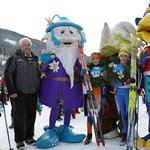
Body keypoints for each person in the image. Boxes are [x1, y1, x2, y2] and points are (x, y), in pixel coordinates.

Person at [36, 15, 86, 149]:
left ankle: (65, 128)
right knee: (56, 107)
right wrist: (46, 61)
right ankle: (51, 129)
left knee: (69, 107)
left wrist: (81, 73)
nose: (67, 37)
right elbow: (42, 69)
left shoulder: (75, 58)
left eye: (71, 33)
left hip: (70, 86)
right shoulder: (53, 55)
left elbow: (79, 70)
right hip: (55, 87)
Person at [4, 37, 41, 149]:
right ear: (20, 46)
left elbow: (38, 75)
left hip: (32, 92)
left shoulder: (35, 59)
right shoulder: (14, 58)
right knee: (19, 117)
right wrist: (12, 91)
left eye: (28, 45)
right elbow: (7, 75)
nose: (27, 47)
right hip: (19, 92)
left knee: (31, 116)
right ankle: (19, 140)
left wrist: (38, 90)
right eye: (24, 45)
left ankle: (29, 137)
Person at [84, 52, 106, 144]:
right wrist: (83, 75)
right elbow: (85, 83)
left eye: (97, 58)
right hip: (91, 94)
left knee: (99, 114)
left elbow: (105, 83)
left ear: (99, 59)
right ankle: (89, 134)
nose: (95, 60)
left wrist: (104, 96)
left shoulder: (102, 69)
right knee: (90, 115)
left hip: (100, 94)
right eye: (93, 59)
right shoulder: (89, 69)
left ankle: (98, 131)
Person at [111, 47, 130, 146]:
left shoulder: (130, 67)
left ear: (127, 58)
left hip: (128, 93)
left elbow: (135, 79)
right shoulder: (115, 67)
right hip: (119, 93)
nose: (123, 58)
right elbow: (113, 82)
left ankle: (130, 132)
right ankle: (124, 133)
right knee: (122, 113)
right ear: (119, 57)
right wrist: (123, 82)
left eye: (125, 56)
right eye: (121, 56)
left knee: (128, 113)